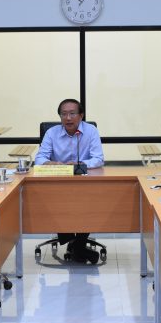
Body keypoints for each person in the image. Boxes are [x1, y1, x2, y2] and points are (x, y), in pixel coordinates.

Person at [34, 99, 105, 263]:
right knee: (58, 203)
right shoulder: (51, 133)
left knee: (88, 204)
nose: (68, 118)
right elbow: (39, 159)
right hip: (58, 184)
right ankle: (76, 245)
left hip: (84, 184)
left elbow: (99, 159)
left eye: (72, 113)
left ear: (81, 115)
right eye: (64, 114)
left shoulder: (91, 131)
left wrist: (80, 164)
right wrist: (51, 163)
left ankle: (77, 244)